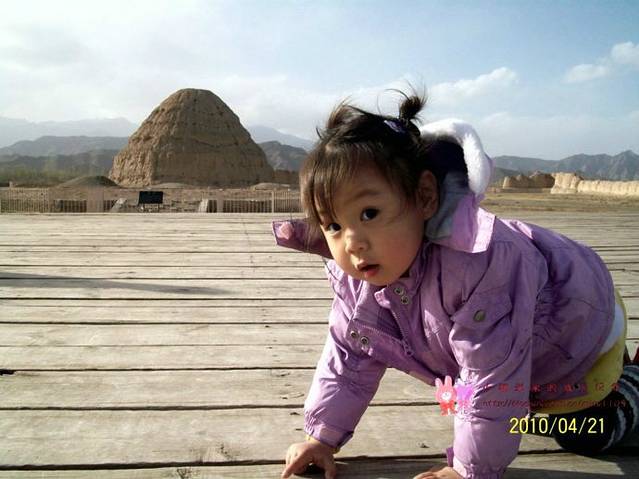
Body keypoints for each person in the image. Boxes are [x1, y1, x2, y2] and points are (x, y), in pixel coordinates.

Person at [273, 92, 639, 479]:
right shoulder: (358, 281)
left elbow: (489, 378)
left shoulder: (479, 271)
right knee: (514, 414)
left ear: (425, 197)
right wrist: (321, 438)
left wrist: (468, 470)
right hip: (520, 354)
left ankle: (632, 381)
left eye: (369, 213)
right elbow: (348, 358)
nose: (352, 243)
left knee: (585, 433)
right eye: (333, 224)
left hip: (579, 329)